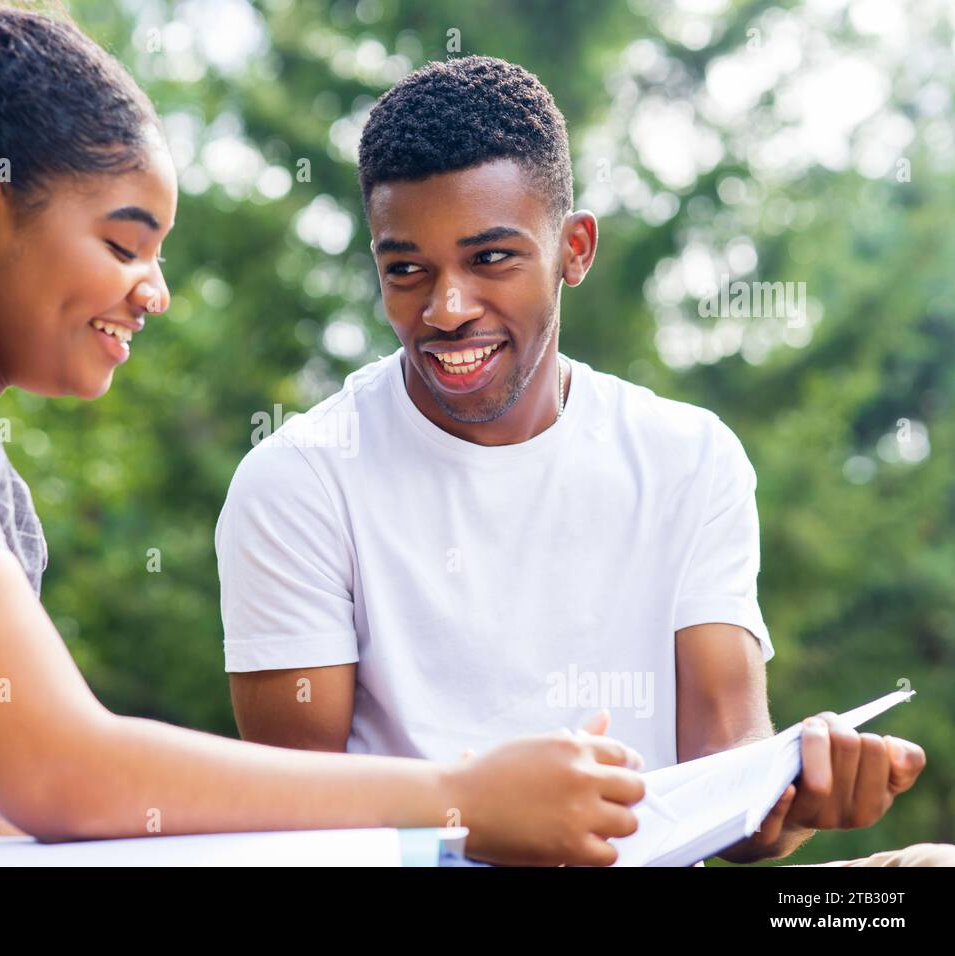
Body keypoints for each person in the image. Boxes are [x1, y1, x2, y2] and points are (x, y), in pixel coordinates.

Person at [0, 1, 648, 866]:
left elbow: (0, 808)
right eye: (125, 243)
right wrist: (462, 795)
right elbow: (58, 769)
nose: (155, 291)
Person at [217, 56, 944, 865]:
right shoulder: (299, 480)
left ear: (575, 248)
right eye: (407, 270)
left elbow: (727, 782)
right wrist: (480, 816)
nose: (447, 309)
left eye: (491, 259)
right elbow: (298, 821)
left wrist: (799, 798)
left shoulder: (690, 458)